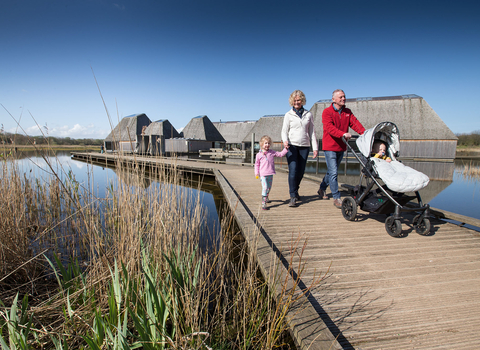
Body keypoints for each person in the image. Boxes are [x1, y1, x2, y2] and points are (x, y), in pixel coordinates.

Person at [318, 89, 365, 208]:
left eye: (344, 97)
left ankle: (322, 188)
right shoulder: (327, 112)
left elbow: (355, 124)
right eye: (340, 97)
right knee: (334, 172)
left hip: (341, 146)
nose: (343, 99)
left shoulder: (347, 112)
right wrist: (343, 134)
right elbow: (329, 128)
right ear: (333, 99)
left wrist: (364, 133)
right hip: (330, 147)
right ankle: (336, 197)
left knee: (331, 171)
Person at [281, 90, 318, 207]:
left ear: (302, 101)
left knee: (301, 171)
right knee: (293, 170)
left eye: (299, 100)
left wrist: (315, 148)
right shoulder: (288, 115)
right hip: (291, 145)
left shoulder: (309, 114)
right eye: (294, 100)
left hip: (305, 146)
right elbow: (284, 130)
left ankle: (295, 190)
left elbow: (312, 132)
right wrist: (285, 141)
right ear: (292, 102)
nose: (296, 102)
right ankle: (292, 196)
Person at [255, 135, 288, 210]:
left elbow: (280, 154)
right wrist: (256, 173)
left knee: (269, 188)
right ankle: (264, 203)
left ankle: (266, 196)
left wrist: (285, 149)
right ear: (261, 144)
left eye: (269, 143)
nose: (267, 145)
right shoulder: (259, 155)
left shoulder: (272, 152)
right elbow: (256, 164)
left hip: (270, 173)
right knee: (265, 187)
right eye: (265, 143)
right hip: (263, 174)